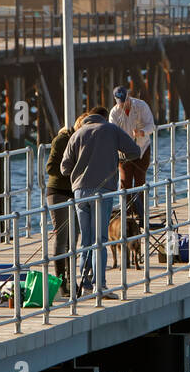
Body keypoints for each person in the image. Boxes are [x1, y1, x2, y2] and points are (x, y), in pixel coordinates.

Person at [59, 106, 141, 295]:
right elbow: (135, 151)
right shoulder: (111, 129)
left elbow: (64, 168)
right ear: (104, 117)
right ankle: (100, 285)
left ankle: (86, 285)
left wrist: (81, 172)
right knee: (100, 239)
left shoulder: (77, 134)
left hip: (79, 192)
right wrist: (118, 158)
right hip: (102, 192)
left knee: (86, 241)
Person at [109, 85, 156, 218]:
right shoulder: (114, 112)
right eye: (121, 102)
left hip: (142, 148)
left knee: (140, 180)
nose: (124, 104)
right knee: (125, 182)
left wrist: (142, 132)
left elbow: (151, 125)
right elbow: (113, 132)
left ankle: (140, 212)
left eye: (125, 100)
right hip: (124, 152)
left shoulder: (141, 105)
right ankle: (126, 212)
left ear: (128, 96)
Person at [45, 117, 80, 292]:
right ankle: (60, 281)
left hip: (76, 191)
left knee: (74, 236)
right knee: (62, 236)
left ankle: (71, 279)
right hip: (58, 191)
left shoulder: (84, 139)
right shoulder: (61, 140)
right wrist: (71, 169)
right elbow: (50, 168)